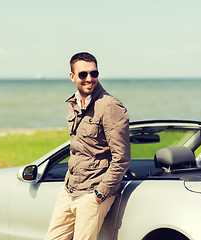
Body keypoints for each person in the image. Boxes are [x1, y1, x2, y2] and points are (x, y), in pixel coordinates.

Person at [45, 52, 131, 240]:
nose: (89, 79)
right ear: (72, 77)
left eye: (94, 73)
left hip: (92, 192)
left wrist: (100, 193)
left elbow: (122, 158)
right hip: (70, 189)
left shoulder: (110, 106)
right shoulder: (74, 104)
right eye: (83, 74)